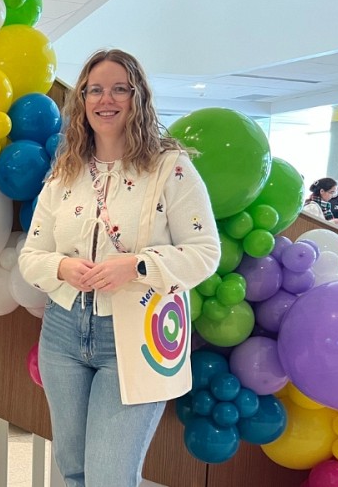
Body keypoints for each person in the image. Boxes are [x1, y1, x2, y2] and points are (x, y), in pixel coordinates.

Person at [18, 49, 220, 487]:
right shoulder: (65, 173)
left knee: (109, 477)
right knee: (73, 470)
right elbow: (30, 256)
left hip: (137, 332)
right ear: (82, 100)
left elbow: (205, 252)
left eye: (118, 89)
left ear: (137, 97)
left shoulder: (171, 169)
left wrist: (138, 265)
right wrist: (62, 267)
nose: (105, 99)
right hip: (63, 331)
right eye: (94, 90)